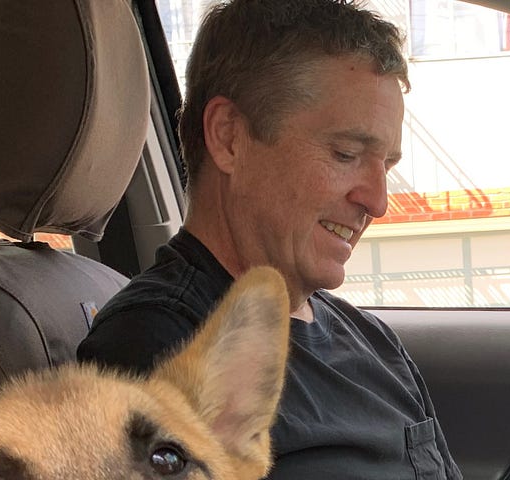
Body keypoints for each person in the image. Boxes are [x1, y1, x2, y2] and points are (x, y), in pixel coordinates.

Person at [76, 1, 461, 478]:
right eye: (346, 154)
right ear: (229, 137)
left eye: (386, 165)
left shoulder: (369, 340)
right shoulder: (161, 349)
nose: (378, 201)